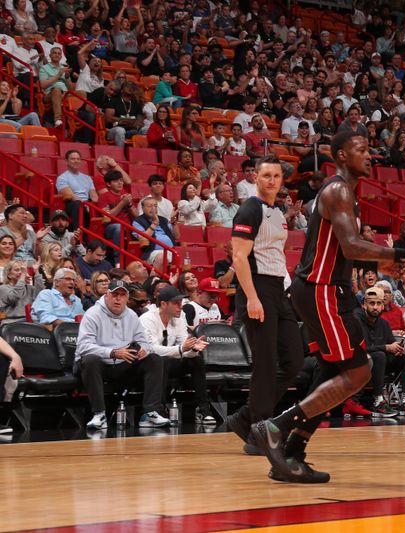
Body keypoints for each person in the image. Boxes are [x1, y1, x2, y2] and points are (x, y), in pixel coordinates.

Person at [251, 131, 405, 484]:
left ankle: (293, 454)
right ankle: (275, 427)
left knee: (330, 375)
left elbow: (346, 250)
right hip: (320, 290)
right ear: (340, 154)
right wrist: (401, 253)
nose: (370, 156)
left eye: (370, 149)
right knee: (359, 370)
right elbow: (352, 246)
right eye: (361, 150)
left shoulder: (347, 193)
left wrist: (385, 262)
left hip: (326, 290)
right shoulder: (338, 190)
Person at [225, 157, 305, 456]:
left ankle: (245, 419)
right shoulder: (250, 208)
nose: (272, 180)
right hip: (255, 288)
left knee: (294, 361)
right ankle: (258, 430)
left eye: (276, 176)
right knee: (266, 364)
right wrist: (253, 298)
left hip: (277, 288)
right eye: (266, 175)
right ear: (255, 178)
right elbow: (239, 258)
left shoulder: (278, 213)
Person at [75, 279, 169, 430]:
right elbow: (84, 347)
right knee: (90, 359)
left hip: (121, 365)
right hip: (97, 365)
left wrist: (144, 350)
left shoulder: (131, 315)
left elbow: (145, 342)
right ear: (106, 295)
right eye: (114, 294)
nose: (118, 298)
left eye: (122, 295)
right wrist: (112, 353)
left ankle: (150, 412)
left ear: (127, 298)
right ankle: (99, 414)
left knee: (154, 359)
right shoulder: (92, 314)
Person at [139, 285, 215, 425]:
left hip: (173, 361)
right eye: (176, 303)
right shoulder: (147, 319)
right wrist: (181, 349)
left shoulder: (180, 318)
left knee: (196, 361)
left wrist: (193, 349)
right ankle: (159, 410)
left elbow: (184, 347)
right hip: (150, 364)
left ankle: (204, 410)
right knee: (162, 360)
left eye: (181, 303)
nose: (180, 307)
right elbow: (152, 349)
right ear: (163, 304)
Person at [355, 286, 405, 417]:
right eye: (372, 303)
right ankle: (378, 401)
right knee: (379, 355)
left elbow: (391, 344)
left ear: (383, 306)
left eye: (379, 303)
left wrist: (398, 349)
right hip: (363, 362)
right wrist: (386, 347)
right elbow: (361, 348)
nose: (375, 307)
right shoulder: (356, 319)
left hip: (382, 361)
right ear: (364, 304)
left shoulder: (383, 323)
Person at [55, 150, 97, 230]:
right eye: (73, 159)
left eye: (78, 159)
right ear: (66, 161)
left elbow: (94, 196)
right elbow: (71, 195)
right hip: (71, 204)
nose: (76, 161)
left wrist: (93, 205)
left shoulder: (87, 178)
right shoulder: (62, 177)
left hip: (87, 204)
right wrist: (84, 205)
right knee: (77, 204)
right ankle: (77, 233)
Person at [0, 259, 44, 323]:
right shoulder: (3, 288)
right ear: (9, 275)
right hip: (11, 323)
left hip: (29, 322)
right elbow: (15, 297)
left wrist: (36, 272)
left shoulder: (29, 288)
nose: (20, 272)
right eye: (17, 270)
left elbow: (40, 296)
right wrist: (23, 275)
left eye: (22, 270)